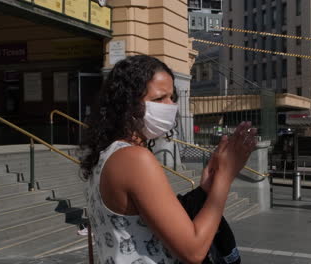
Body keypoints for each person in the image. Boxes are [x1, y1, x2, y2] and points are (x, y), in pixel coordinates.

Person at [81, 55, 257, 264]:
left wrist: (206, 188)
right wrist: (225, 178)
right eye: (158, 99)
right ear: (126, 104)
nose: (169, 105)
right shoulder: (134, 159)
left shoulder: (104, 157)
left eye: (172, 97)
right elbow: (193, 250)